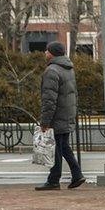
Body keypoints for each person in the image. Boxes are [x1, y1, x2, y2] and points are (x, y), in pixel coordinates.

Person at [35, 41, 85, 191]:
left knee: (56, 148)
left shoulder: (52, 71)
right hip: (67, 113)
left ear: (52, 53)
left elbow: (49, 99)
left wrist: (45, 121)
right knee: (63, 146)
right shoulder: (68, 68)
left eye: (47, 51)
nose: (45, 53)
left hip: (56, 116)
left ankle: (54, 180)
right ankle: (76, 174)